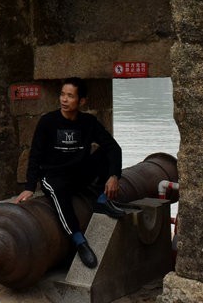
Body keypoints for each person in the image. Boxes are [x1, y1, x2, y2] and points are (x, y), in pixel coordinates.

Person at [15, 76, 131, 269]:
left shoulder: (88, 122)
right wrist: (29, 188)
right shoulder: (48, 122)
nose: (64, 100)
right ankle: (79, 241)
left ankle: (102, 201)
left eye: (70, 96)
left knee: (105, 152)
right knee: (60, 195)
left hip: (79, 174)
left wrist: (113, 176)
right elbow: (35, 155)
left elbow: (113, 148)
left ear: (81, 101)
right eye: (62, 94)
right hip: (53, 177)